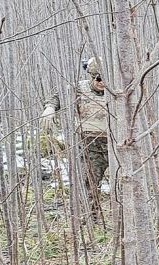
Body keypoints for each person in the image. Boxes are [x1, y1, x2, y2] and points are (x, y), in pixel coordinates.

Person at [39, 57, 108, 220]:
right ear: (91, 76)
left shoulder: (118, 91)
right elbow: (57, 96)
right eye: (97, 77)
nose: (101, 82)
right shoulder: (79, 88)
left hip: (114, 143)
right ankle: (90, 219)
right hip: (89, 144)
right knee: (88, 183)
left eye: (105, 77)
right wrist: (50, 108)